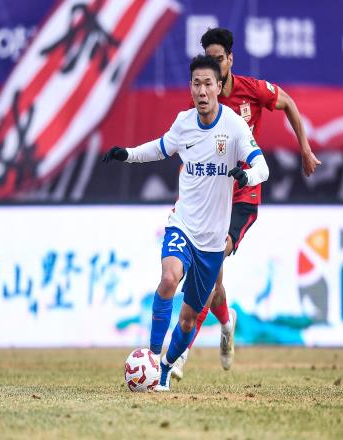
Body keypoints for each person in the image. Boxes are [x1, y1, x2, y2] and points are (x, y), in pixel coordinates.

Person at [103, 55, 269, 391]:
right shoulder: (184, 122)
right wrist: (128, 154)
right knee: (168, 278)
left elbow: (262, 167)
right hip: (182, 225)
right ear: (191, 88)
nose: (202, 91)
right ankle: (152, 357)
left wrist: (247, 176)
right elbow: (160, 148)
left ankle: (164, 371)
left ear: (219, 87)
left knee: (189, 320)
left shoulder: (234, 126)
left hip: (213, 241)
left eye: (208, 84)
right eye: (196, 84)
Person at [171, 28, 321, 380]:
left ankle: (180, 355)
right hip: (213, 198)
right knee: (213, 282)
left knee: (208, 270)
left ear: (230, 60)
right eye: (209, 60)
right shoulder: (199, 104)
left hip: (244, 197)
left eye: (219, 60)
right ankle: (227, 322)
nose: (215, 68)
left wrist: (305, 148)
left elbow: (289, 103)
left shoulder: (252, 90)